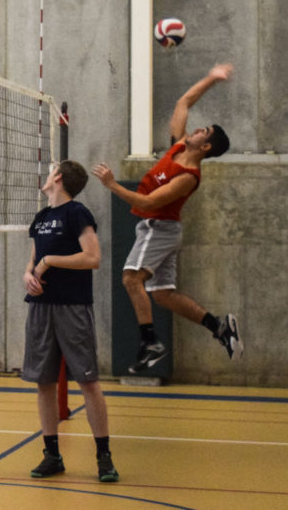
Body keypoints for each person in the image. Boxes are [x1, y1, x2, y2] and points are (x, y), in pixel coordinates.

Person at [92, 63, 243, 374]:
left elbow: (149, 202)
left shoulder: (189, 176)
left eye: (203, 132)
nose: (196, 129)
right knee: (162, 295)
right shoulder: (178, 145)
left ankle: (150, 343)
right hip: (161, 230)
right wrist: (212, 78)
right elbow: (184, 102)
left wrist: (112, 185)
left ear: (206, 146)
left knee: (131, 278)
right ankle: (219, 327)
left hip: (158, 229)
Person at [22, 160, 118, 483]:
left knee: (88, 381)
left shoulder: (77, 213)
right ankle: (52, 455)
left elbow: (93, 258)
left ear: (58, 178)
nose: (47, 175)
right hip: (40, 307)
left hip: (72, 307)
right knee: (44, 382)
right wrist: (28, 275)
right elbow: (32, 261)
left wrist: (49, 262)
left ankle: (104, 457)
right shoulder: (40, 218)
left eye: (51, 170)